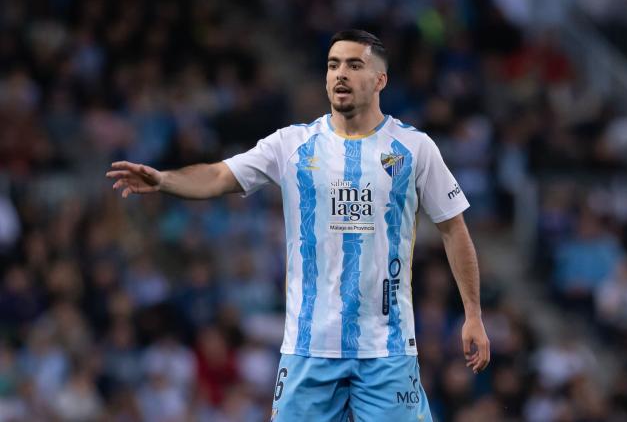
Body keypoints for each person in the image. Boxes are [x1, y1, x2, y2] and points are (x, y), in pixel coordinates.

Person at [107, 29, 490, 422]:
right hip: (309, 351)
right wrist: (165, 180)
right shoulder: (291, 145)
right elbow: (220, 176)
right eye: (333, 65)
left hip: (386, 350)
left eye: (354, 65)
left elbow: (453, 228)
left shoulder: (415, 148)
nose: (340, 74)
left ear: (380, 80)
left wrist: (473, 314)